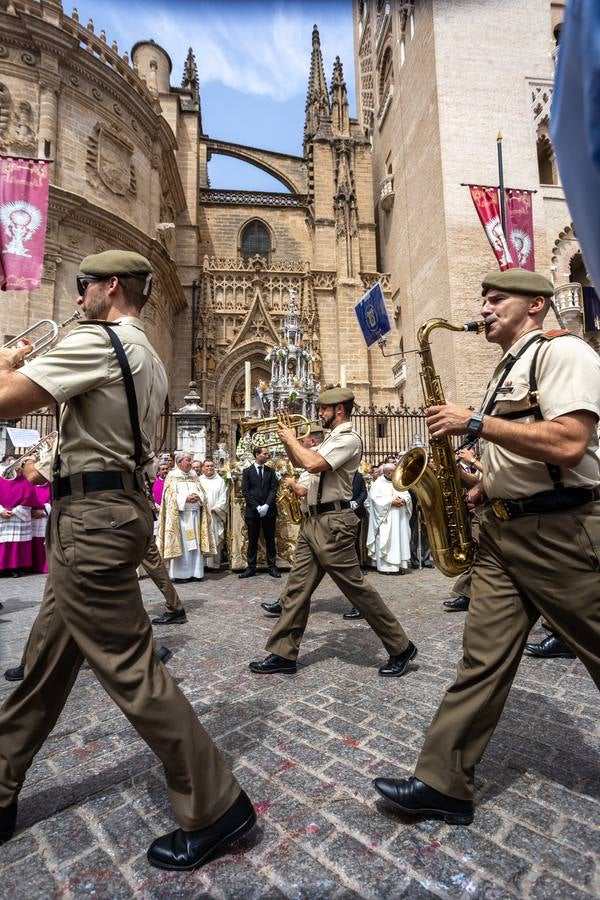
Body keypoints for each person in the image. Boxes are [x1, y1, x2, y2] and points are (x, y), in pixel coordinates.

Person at [0, 249, 255, 869]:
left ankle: (218, 805)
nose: (77, 295)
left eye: (83, 285)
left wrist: (7, 361)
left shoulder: (98, 341)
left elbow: (7, 401)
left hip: (92, 518)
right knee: (45, 664)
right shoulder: (148, 353)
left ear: (110, 288)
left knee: (128, 664)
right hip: (101, 512)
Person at [373, 267, 600, 826]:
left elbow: (570, 442)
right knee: (481, 661)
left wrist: (474, 423)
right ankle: (443, 782)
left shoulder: (563, 353)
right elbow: (521, 453)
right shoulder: (506, 368)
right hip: (504, 535)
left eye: (499, 299)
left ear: (537, 306)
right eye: (484, 298)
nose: (485, 307)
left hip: (561, 534)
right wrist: (483, 485)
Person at [249, 387, 417, 677]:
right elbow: (301, 462)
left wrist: (291, 438)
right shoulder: (330, 440)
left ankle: (401, 647)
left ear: (339, 409)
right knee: (296, 590)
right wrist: (288, 440)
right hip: (313, 522)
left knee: (358, 590)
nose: (320, 414)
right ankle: (283, 654)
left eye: (324, 410)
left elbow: (313, 464)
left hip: (333, 523)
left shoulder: (349, 439)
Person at [156, 451, 214, 584]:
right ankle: (181, 574)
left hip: (195, 516)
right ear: (179, 462)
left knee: (195, 546)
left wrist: (198, 496)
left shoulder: (194, 475)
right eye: (187, 460)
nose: (190, 463)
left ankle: (196, 572)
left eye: (190, 460)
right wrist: (185, 499)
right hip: (180, 518)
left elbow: (202, 492)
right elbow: (168, 497)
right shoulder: (172, 476)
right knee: (184, 545)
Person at [239, 445, 280, 579]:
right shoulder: (247, 471)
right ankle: (251, 567)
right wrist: (257, 507)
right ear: (257, 455)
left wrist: (267, 505)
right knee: (252, 540)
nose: (267, 456)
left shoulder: (270, 471)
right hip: (253, 511)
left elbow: (274, 489)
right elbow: (245, 491)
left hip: (269, 511)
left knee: (270, 539)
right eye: (264, 453)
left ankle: (272, 566)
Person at [366, 463, 412, 575]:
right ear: (389, 473)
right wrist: (391, 501)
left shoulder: (399, 481)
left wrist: (404, 500)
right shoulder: (378, 484)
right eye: (395, 472)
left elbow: (407, 495)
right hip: (386, 519)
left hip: (400, 519)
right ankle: (386, 568)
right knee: (387, 541)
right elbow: (375, 500)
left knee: (400, 540)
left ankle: (400, 566)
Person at [0, 464, 33, 576]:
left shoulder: (25, 481)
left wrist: (15, 511)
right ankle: (2, 567)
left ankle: (15, 567)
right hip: (2, 516)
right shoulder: (1, 479)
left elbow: (29, 497)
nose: (18, 471)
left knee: (16, 544)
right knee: (3, 543)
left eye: (20, 469)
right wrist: (1, 511)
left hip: (18, 516)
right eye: (16, 468)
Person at [199, 458, 228, 570]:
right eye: (207, 466)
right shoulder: (199, 480)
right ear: (203, 468)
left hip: (215, 515)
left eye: (211, 466)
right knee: (203, 538)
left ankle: (215, 564)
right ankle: (204, 564)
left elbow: (223, 498)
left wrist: (215, 508)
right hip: (202, 515)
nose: (209, 468)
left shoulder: (220, 481)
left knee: (215, 539)